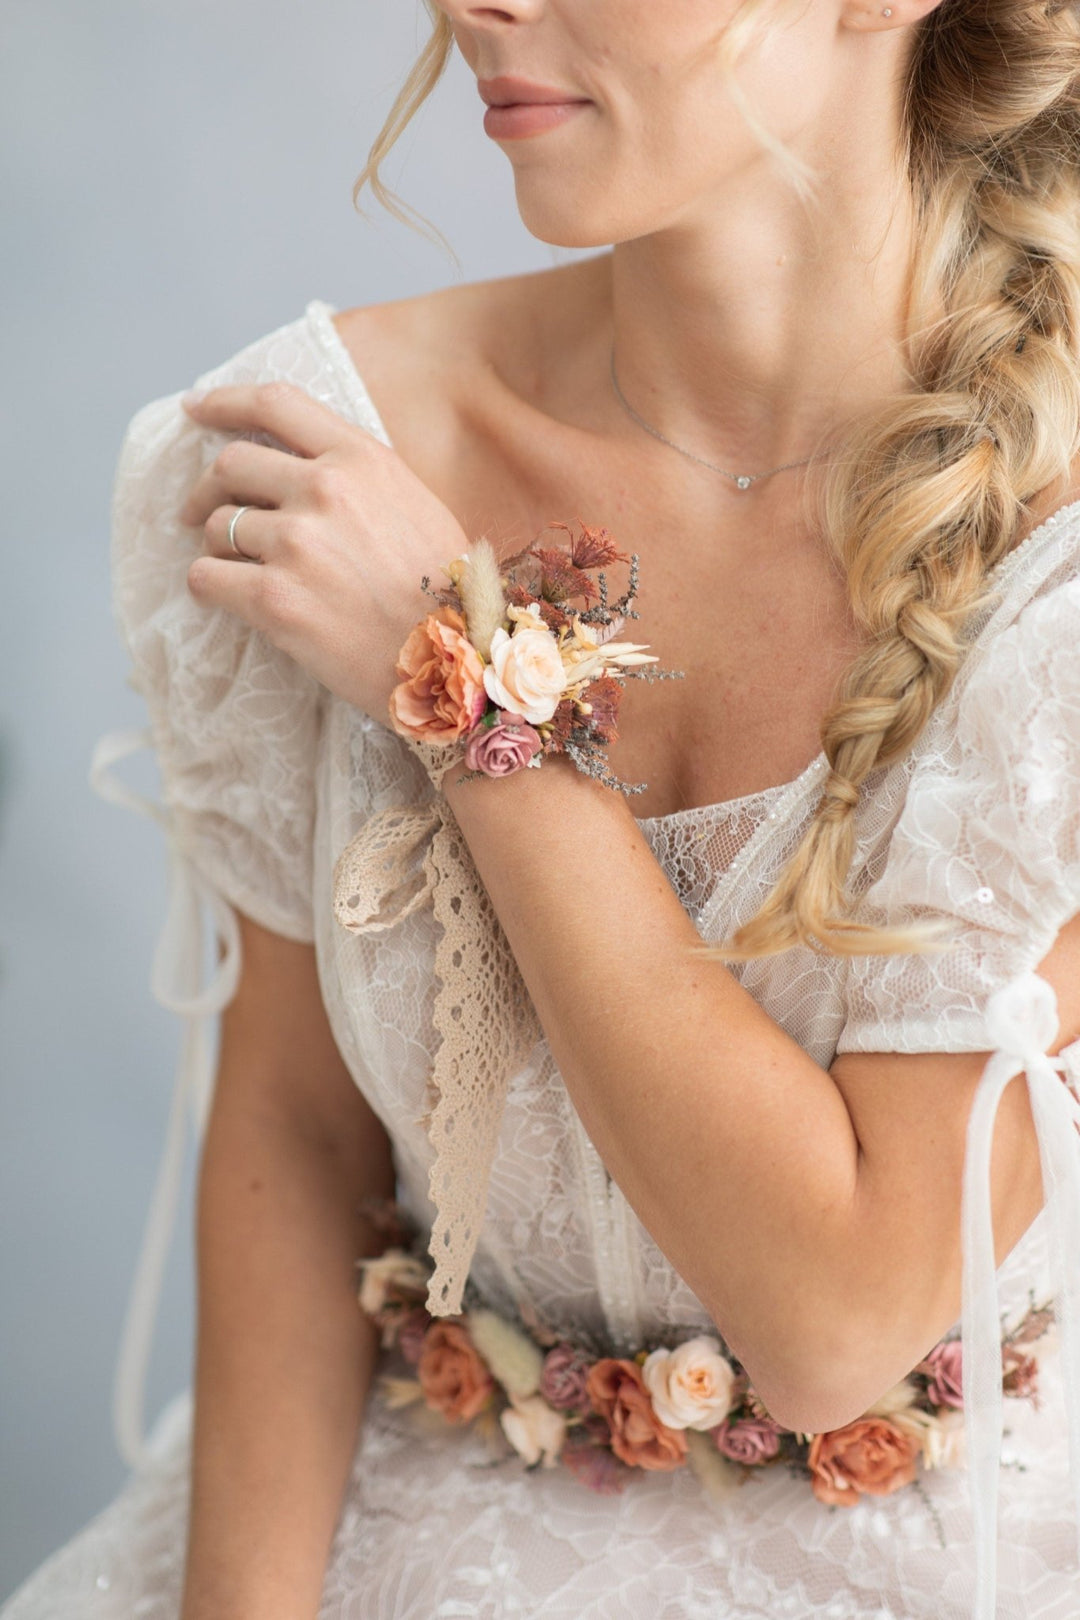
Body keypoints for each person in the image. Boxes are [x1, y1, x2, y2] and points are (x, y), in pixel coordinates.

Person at [6, 0, 1080, 1615]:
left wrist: (462, 690)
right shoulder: (328, 455)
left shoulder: (1054, 547)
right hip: (398, 1534)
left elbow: (838, 1321)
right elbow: (298, 1138)